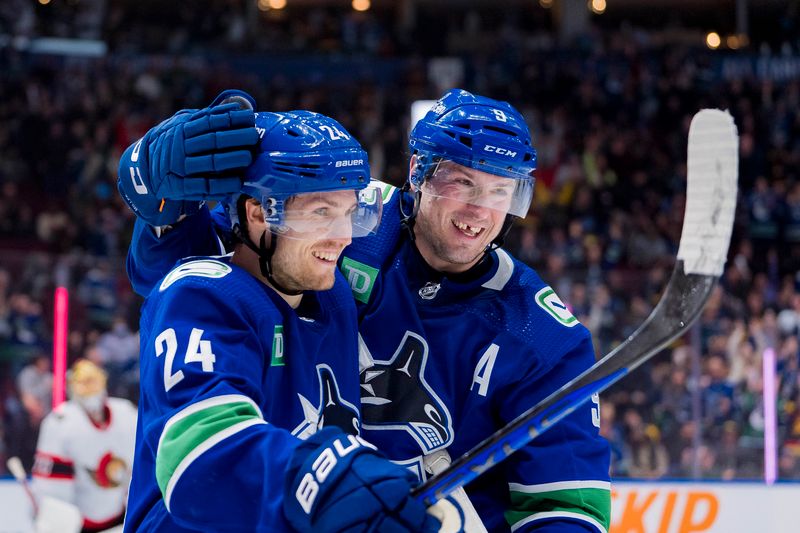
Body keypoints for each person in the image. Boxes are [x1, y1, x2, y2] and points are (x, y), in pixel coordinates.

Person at [121, 89, 611, 532]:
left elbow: (566, 504)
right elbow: (189, 274)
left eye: (500, 190)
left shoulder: (543, 334)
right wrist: (162, 203)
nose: (479, 210)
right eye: (462, 182)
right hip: (281, 500)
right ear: (419, 173)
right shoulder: (343, 224)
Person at [119, 100, 449, 532]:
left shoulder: (334, 300)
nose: (343, 237)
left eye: (350, 213)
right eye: (321, 213)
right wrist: (322, 480)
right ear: (258, 213)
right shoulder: (201, 293)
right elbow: (199, 459)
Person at [31, 359, 137, 532]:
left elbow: (143, 466)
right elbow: (53, 493)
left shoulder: (126, 413)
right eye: (84, 384)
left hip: (122, 520)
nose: (90, 389)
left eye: (93, 382)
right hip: (80, 525)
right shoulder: (60, 423)